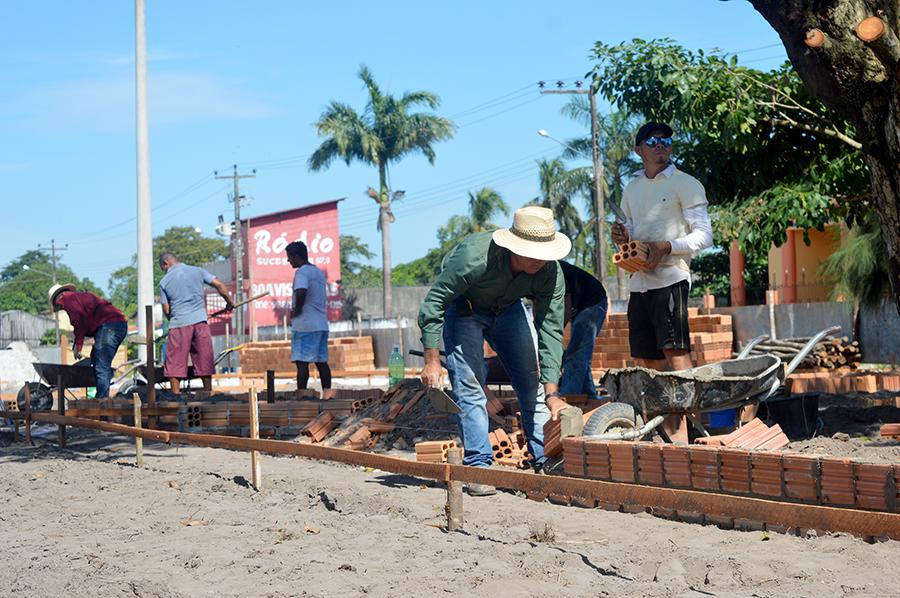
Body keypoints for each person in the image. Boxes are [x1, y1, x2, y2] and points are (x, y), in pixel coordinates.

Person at [418, 206, 571, 496]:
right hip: (464, 308)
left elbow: (550, 328)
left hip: (509, 308)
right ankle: (478, 466)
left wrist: (552, 393)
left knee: (532, 384)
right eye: (532, 251)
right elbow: (434, 303)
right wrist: (432, 361)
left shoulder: (550, 271)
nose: (540, 259)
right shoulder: (474, 257)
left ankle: (545, 460)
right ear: (514, 246)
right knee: (470, 384)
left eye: (545, 252)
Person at [612, 122, 713, 442]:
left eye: (666, 140)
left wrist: (667, 247)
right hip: (640, 282)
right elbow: (627, 233)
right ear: (638, 149)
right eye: (653, 141)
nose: (661, 145)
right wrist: (620, 237)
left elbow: (704, 236)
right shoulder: (632, 188)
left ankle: (686, 432)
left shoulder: (687, 183)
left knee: (675, 354)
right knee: (646, 359)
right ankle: (660, 431)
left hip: (671, 278)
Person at [158, 253, 234, 394]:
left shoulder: (164, 281)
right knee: (204, 360)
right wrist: (229, 303)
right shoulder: (198, 271)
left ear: (165, 263)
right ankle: (207, 394)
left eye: (163, 268)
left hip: (179, 324)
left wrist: (174, 318)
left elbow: (166, 309)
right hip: (200, 323)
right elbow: (219, 285)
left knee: (175, 364)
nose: (164, 271)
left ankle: (176, 396)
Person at [49, 284, 128, 398]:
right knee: (96, 358)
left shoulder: (67, 299)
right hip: (118, 325)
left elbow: (79, 321)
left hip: (110, 326)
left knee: (101, 364)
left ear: (57, 298)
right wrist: (78, 341)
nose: (60, 308)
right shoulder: (77, 298)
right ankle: (101, 396)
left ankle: (102, 400)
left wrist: (79, 345)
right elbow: (84, 322)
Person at [285, 241, 332, 393]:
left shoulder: (302, 272)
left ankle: (302, 397)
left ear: (296, 256)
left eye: (289, 257)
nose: (288, 261)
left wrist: (296, 311)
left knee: (301, 363)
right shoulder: (318, 272)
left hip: (306, 325)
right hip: (321, 325)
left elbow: (301, 291)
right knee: (322, 362)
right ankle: (328, 395)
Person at [557, 261, 608, 400]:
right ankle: (589, 395)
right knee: (581, 353)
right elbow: (537, 304)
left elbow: (566, 307)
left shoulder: (555, 270)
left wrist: (553, 334)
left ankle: (568, 398)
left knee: (577, 351)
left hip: (593, 303)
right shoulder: (529, 275)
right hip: (579, 308)